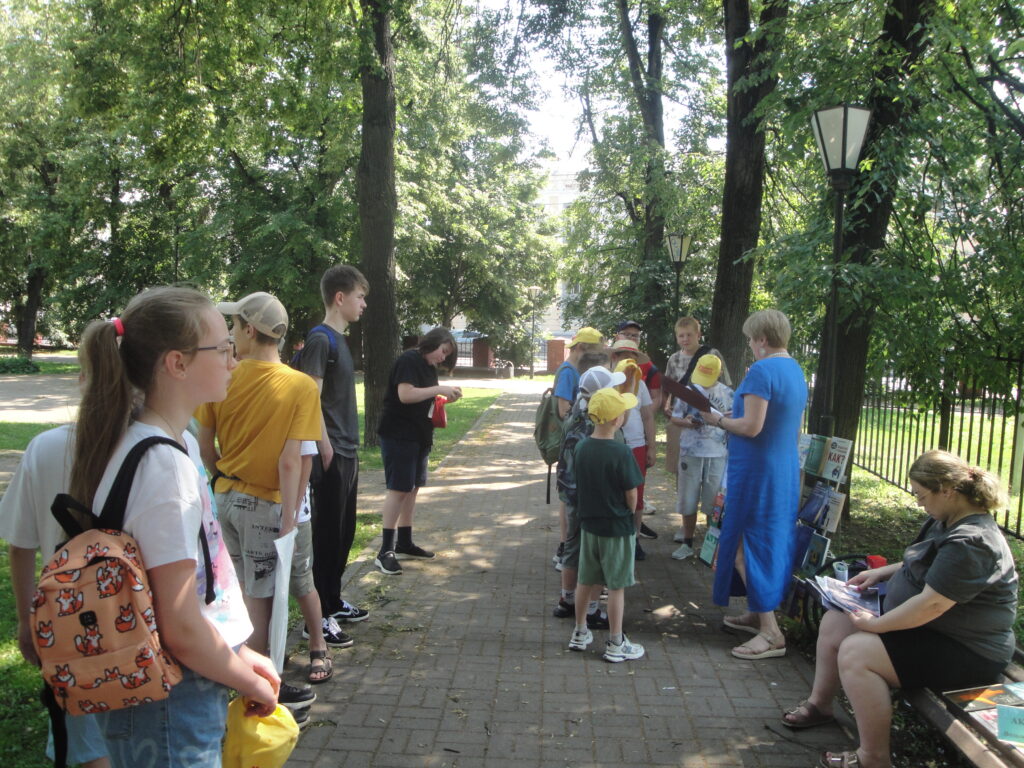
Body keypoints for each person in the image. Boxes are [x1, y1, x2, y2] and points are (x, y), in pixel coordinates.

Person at [72, 286, 278, 767]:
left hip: (182, 685)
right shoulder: (163, 467)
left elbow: (193, 600)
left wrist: (237, 652)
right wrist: (246, 681)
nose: (234, 361)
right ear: (177, 364)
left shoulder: (171, 443)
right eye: (223, 349)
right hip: (170, 704)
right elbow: (180, 625)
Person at [783, 451, 1018, 768]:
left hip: (968, 652)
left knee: (856, 653)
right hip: (932, 631)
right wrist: (883, 572)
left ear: (947, 490)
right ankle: (821, 705)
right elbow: (926, 564)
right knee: (836, 622)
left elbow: (932, 604)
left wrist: (876, 625)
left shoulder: (972, 541)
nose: (919, 504)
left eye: (922, 495)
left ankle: (873, 758)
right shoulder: (948, 518)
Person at [196, 290, 339, 703]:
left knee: (243, 590)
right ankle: (262, 683)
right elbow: (292, 461)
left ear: (249, 329)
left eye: (233, 325)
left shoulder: (223, 377)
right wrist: (290, 517)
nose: (230, 333)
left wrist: (225, 475)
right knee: (264, 595)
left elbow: (205, 446)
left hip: (225, 500)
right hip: (271, 505)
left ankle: (254, 673)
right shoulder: (300, 385)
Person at [697, 308, 807, 660]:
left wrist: (716, 419)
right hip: (781, 468)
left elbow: (751, 427)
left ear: (762, 339)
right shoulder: (794, 369)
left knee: (746, 546)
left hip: (757, 472)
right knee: (768, 541)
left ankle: (771, 632)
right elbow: (782, 423)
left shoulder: (762, 370)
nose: (749, 344)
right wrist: (737, 418)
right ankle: (758, 615)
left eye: (750, 339)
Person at [1, 417, 111, 768]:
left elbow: (20, 545)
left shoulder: (46, 446)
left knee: (91, 745)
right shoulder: (167, 441)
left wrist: (27, 620)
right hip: (147, 627)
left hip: (68, 625)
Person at [299, 265, 372, 626]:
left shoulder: (339, 340)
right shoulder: (320, 340)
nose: (364, 304)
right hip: (331, 453)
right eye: (360, 297)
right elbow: (308, 398)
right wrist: (324, 445)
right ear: (340, 298)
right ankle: (320, 618)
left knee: (344, 532)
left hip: (347, 450)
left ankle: (333, 599)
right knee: (327, 535)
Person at [374, 327, 462, 575]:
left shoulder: (428, 366)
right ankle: (385, 551)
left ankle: (404, 542)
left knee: (412, 488)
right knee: (398, 489)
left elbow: (424, 397)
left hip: (419, 435)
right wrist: (439, 390)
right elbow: (405, 395)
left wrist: (445, 398)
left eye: (447, 355)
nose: (443, 357)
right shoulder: (409, 360)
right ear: (432, 343)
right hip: (399, 435)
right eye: (443, 351)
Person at [567, 387, 645, 662]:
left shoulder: (582, 447)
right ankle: (615, 642)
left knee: (585, 580)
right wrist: (630, 512)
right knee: (616, 586)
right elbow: (631, 493)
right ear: (616, 419)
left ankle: (579, 631)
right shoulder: (621, 452)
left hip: (589, 525)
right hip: (616, 527)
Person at [552, 362, 623, 627]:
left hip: (571, 492)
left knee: (572, 547)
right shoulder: (600, 420)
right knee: (596, 554)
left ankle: (566, 600)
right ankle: (592, 609)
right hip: (596, 499)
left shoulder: (575, 412)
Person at [670, 354, 734, 560]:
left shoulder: (728, 393)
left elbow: (735, 421)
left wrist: (726, 420)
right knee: (688, 498)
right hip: (691, 452)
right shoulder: (687, 392)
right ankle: (687, 542)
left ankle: (710, 544)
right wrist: (686, 422)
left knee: (714, 501)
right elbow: (675, 418)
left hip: (717, 453)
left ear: (719, 373)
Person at [551, 327, 605, 569]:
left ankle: (568, 547)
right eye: (594, 350)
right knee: (568, 500)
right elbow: (564, 410)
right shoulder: (568, 372)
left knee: (571, 500)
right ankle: (565, 547)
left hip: (579, 443)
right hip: (573, 446)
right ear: (582, 348)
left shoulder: (575, 370)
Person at [663, 317, 731, 480]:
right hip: (681, 418)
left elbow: (725, 385)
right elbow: (668, 387)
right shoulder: (674, 359)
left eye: (689, 335)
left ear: (698, 335)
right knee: (682, 469)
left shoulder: (712, 355)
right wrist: (667, 405)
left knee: (711, 470)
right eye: (681, 335)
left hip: (710, 418)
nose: (685, 339)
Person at [610, 341, 658, 553]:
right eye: (624, 357)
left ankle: (634, 538)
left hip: (637, 445)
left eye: (632, 358)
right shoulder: (607, 383)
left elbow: (648, 416)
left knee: (637, 493)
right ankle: (614, 538)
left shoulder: (641, 385)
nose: (628, 362)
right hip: (613, 446)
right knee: (614, 492)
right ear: (615, 358)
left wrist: (651, 447)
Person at [614, 320, 663, 412]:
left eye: (635, 336)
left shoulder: (649, 367)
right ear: (617, 337)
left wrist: (642, 416)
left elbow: (656, 397)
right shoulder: (603, 362)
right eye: (626, 334)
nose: (631, 338)